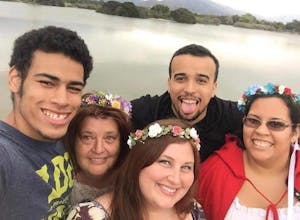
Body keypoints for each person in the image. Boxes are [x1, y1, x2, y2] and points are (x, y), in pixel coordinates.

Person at [0, 26, 93, 219]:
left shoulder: (65, 135)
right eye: (47, 83)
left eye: (74, 88)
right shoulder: (5, 157)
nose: (62, 100)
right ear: (15, 79)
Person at [67, 118, 206, 220]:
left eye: (186, 167)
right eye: (165, 162)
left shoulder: (192, 210)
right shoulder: (89, 216)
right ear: (138, 164)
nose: (175, 179)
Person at [198, 83, 300, 220]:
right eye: (253, 121)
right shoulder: (213, 172)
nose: (261, 131)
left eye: (275, 124)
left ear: (295, 133)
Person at [131, 44, 243, 161]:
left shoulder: (232, 116)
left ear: (213, 88)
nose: (190, 89)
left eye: (201, 81)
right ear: (169, 84)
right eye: (180, 79)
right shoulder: (145, 111)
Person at [64, 91, 132, 206]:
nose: (98, 149)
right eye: (87, 137)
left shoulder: (133, 183)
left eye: (109, 138)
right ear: (73, 140)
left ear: (122, 142)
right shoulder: (54, 178)